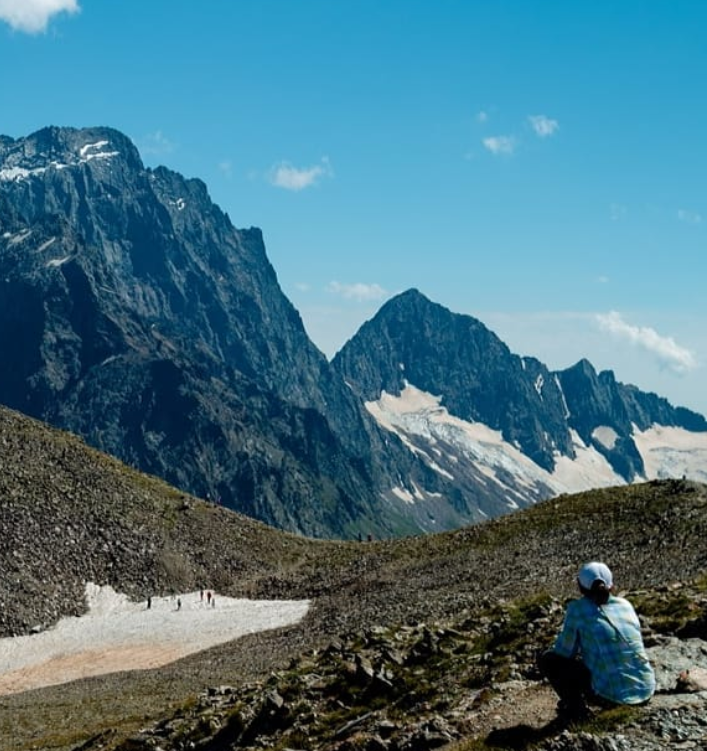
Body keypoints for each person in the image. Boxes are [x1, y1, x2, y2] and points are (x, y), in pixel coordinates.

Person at [539, 561, 655, 722]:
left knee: (549, 660)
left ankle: (577, 712)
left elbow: (564, 652)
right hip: (646, 689)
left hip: (613, 697)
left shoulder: (577, 609)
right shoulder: (626, 604)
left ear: (580, 586)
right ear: (611, 584)